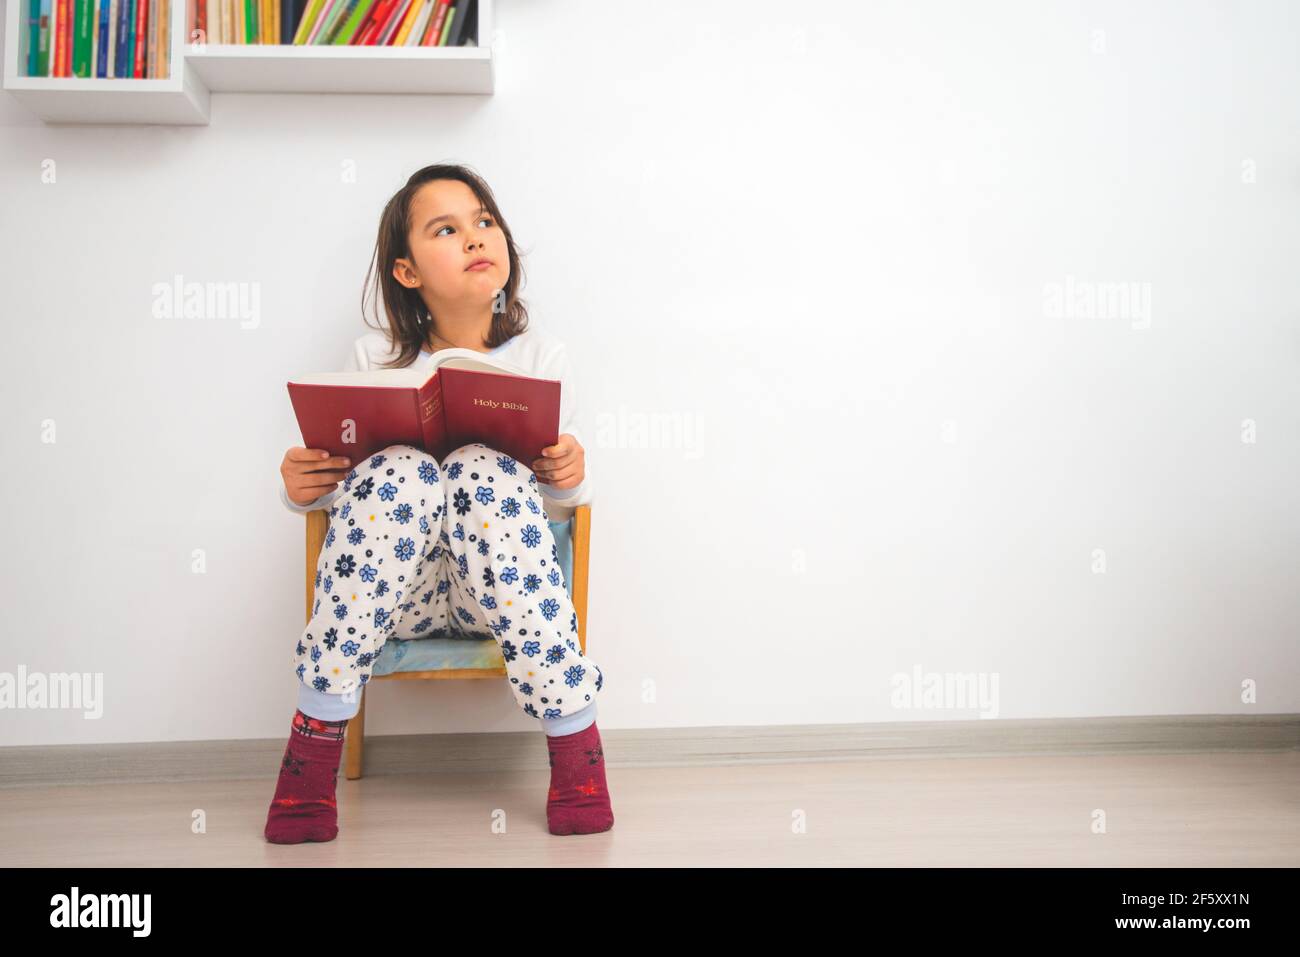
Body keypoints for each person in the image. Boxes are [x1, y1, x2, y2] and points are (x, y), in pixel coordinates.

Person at [264, 164, 613, 843]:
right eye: (446, 229)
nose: (475, 237)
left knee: (484, 470)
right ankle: (309, 755)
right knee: (401, 471)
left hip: (503, 591)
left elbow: (563, 503)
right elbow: (348, 502)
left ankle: (577, 748)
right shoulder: (373, 358)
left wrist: (572, 473)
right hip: (404, 593)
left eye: (484, 221)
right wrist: (300, 487)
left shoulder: (542, 354)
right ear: (406, 272)